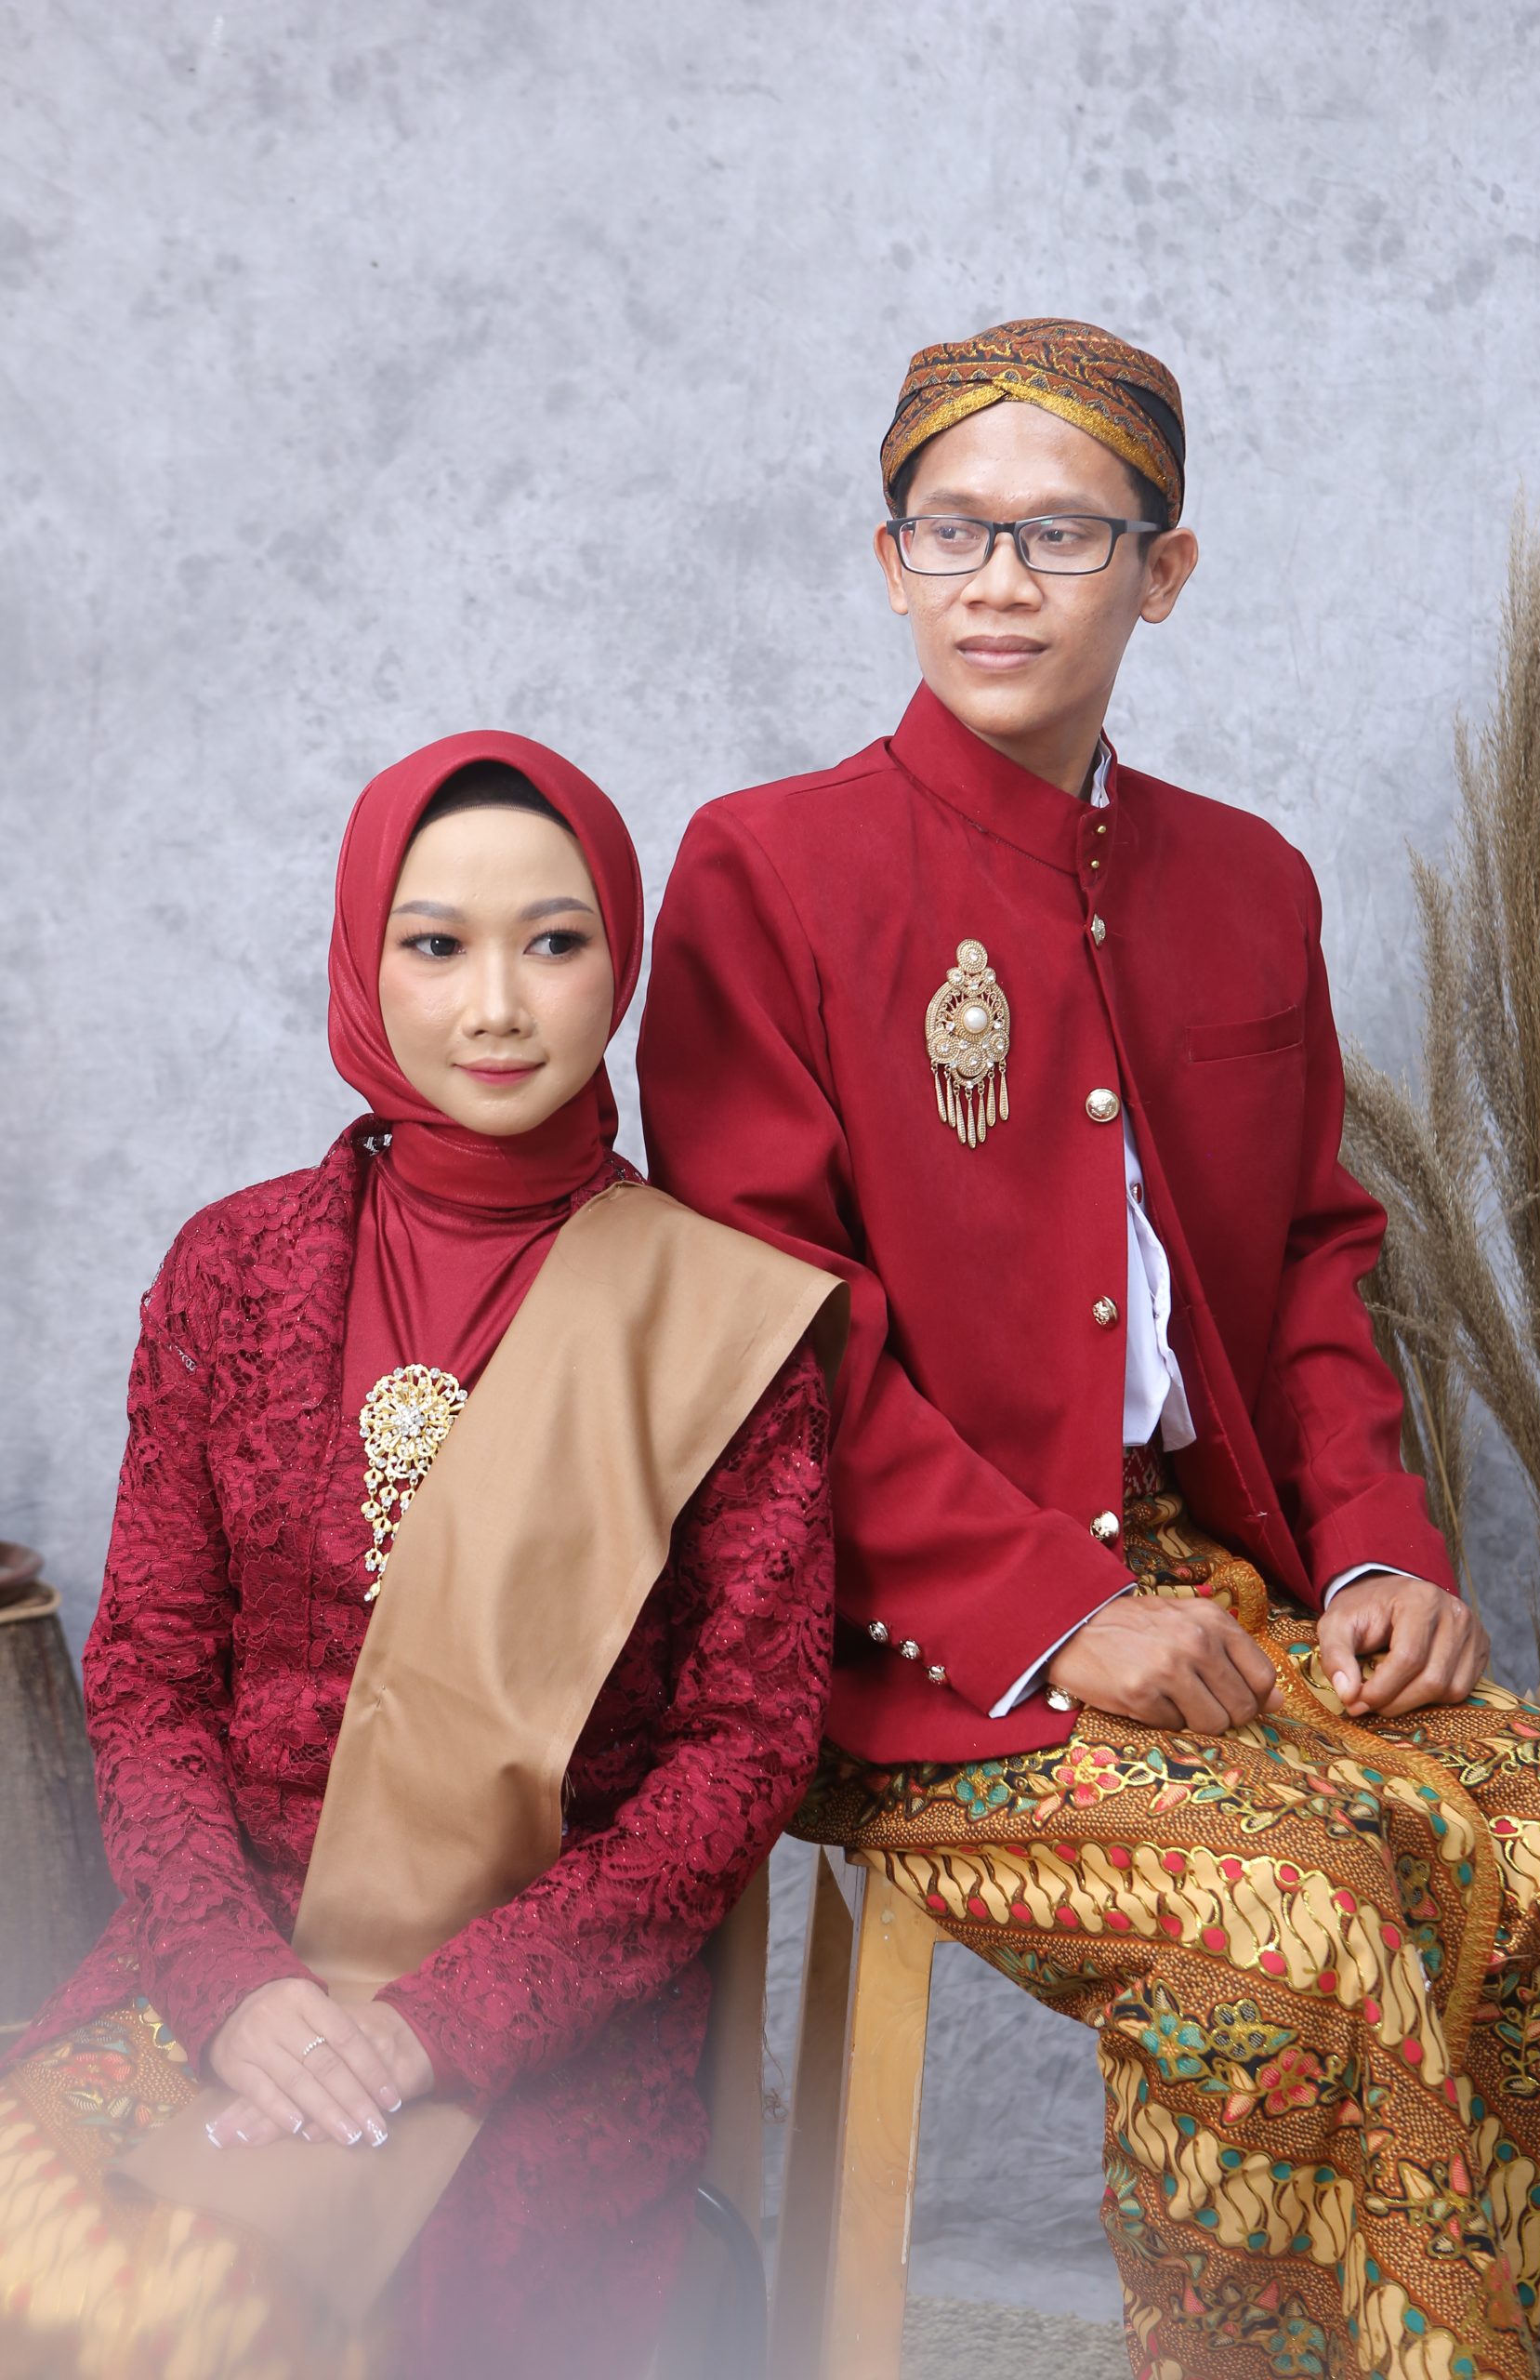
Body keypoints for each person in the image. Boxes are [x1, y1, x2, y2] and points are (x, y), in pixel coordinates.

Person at [638, 318, 1540, 2380]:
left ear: (1161, 571)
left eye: (1062, 533)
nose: (999, 580)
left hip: (1227, 1585)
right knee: (1296, 1910)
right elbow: (765, 1335)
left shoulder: (1245, 883)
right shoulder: (765, 871)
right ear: (887, 561)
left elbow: (1314, 1260)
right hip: (910, 1636)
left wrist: (1376, 1546)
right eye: (951, 529)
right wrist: (1059, 1614)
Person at [0, 731, 841, 2380]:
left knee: (240, 2309)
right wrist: (235, 1985)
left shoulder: (720, 1319)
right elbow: (152, 1681)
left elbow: (741, 1755)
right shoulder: (233, 1272)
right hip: (226, 1945)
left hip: (534, 2010)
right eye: (437, 945)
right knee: (40, 2258)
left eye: (555, 941)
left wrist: (440, 2025)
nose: (497, 1006)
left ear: (621, 960)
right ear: (363, 963)